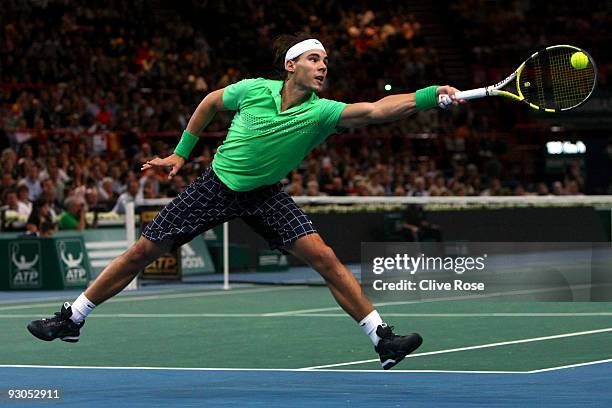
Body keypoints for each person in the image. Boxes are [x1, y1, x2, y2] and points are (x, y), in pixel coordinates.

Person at [27, 33, 463, 369]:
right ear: (291, 64)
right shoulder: (253, 90)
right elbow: (211, 101)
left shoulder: (322, 112)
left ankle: (382, 338)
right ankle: (73, 318)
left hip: (265, 195)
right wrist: (181, 152)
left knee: (325, 258)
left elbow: (376, 110)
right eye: (315, 59)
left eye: (326, 62)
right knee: (143, 250)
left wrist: (428, 96)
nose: (322, 66)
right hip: (216, 186)